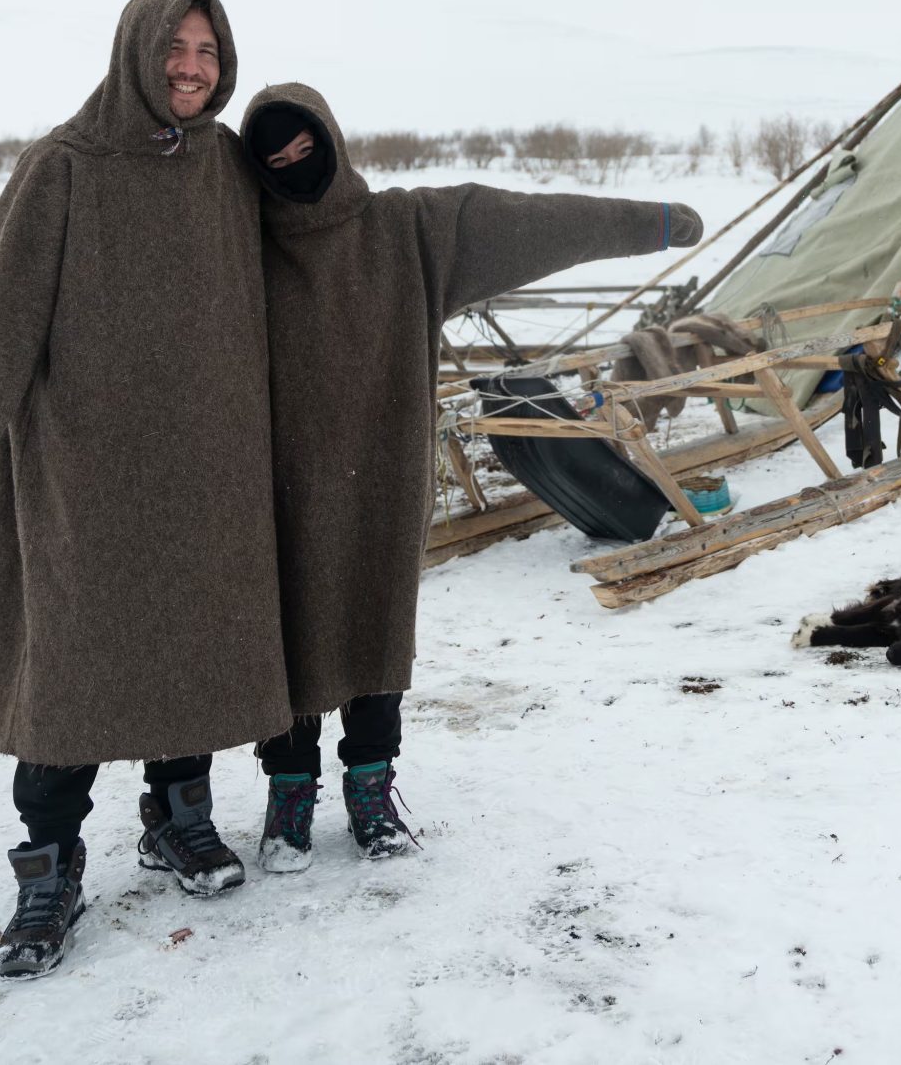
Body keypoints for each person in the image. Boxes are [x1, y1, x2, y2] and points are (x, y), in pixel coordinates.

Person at [236, 83, 702, 866]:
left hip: (379, 470)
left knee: (374, 626)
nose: (293, 166)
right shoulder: (242, 247)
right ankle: (289, 793)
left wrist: (650, 224)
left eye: (304, 148)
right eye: (274, 158)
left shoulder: (402, 229)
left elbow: (526, 222)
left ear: (331, 142)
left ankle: (371, 787)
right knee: (283, 633)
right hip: (272, 481)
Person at [0, 0, 291, 980]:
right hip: (85, 471)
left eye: (208, 50)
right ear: (134, 52)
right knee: (73, 667)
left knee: (192, 646)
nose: (192, 66)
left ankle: (178, 820)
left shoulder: (224, 163)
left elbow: (302, 248)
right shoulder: (64, 165)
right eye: (174, 48)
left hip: (207, 466)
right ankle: (47, 865)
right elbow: (1, 304)